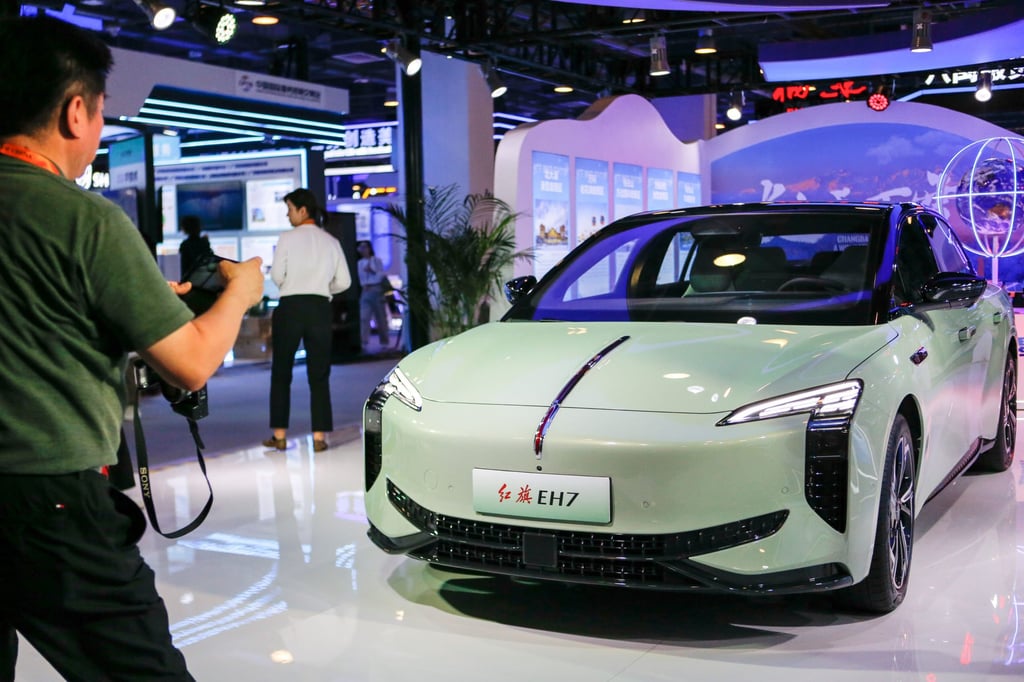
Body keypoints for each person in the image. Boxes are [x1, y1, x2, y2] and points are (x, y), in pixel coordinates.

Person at [0, 16, 265, 682]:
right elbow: (192, 361)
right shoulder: (82, 216)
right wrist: (240, 292)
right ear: (75, 109)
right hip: (50, 502)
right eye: (99, 116)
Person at [263, 188, 351, 453]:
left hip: (290, 307)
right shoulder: (331, 242)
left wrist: (293, 283)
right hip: (319, 308)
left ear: (303, 210)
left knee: (281, 372)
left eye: (289, 208)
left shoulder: (287, 238)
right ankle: (319, 437)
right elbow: (344, 282)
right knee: (319, 374)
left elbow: (277, 275)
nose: (287, 214)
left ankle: (279, 435)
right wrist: (323, 290)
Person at [356, 239, 391, 350]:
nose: (363, 249)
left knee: (380, 317)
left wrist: (371, 270)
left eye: (365, 247)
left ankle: (384, 342)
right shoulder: (359, 263)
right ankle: (364, 342)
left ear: (370, 248)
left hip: (376, 289)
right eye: (361, 247)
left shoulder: (376, 260)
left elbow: (380, 275)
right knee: (364, 317)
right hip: (365, 290)